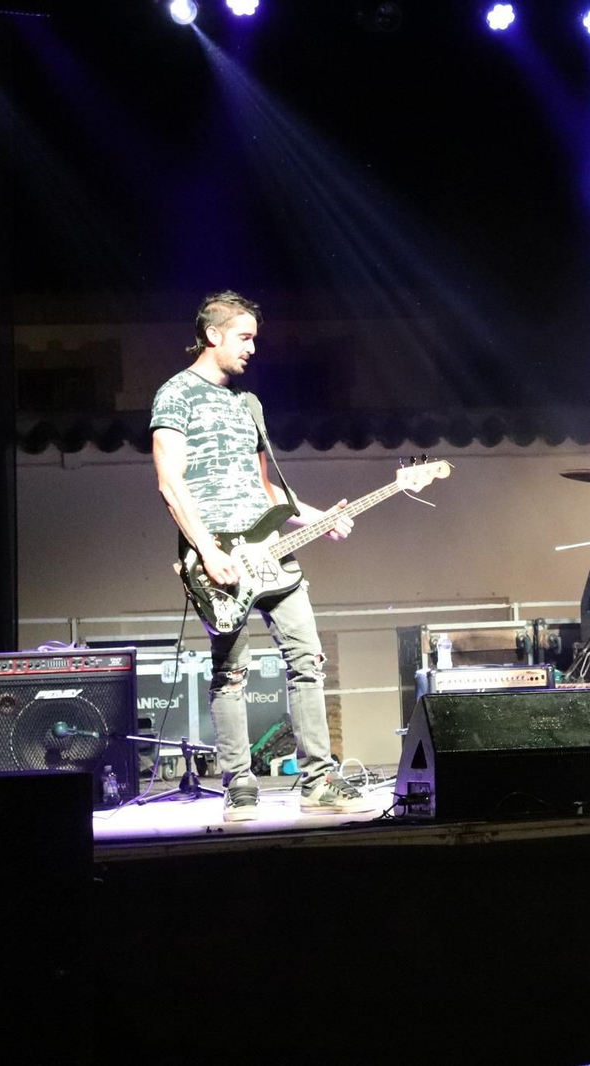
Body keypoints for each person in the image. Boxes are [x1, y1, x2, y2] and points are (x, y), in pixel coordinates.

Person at [151, 291, 378, 822]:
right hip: (217, 556)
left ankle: (318, 780)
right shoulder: (175, 394)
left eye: (255, 338)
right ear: (214, 335)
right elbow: (170, 482)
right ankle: (238, 785)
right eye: (245, 337)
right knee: (231, 674)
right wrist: (206, 550)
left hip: (272, 553)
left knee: (309, 662)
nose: (253, 348)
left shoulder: (247, 402)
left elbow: (265, 489)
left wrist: (319, 517)